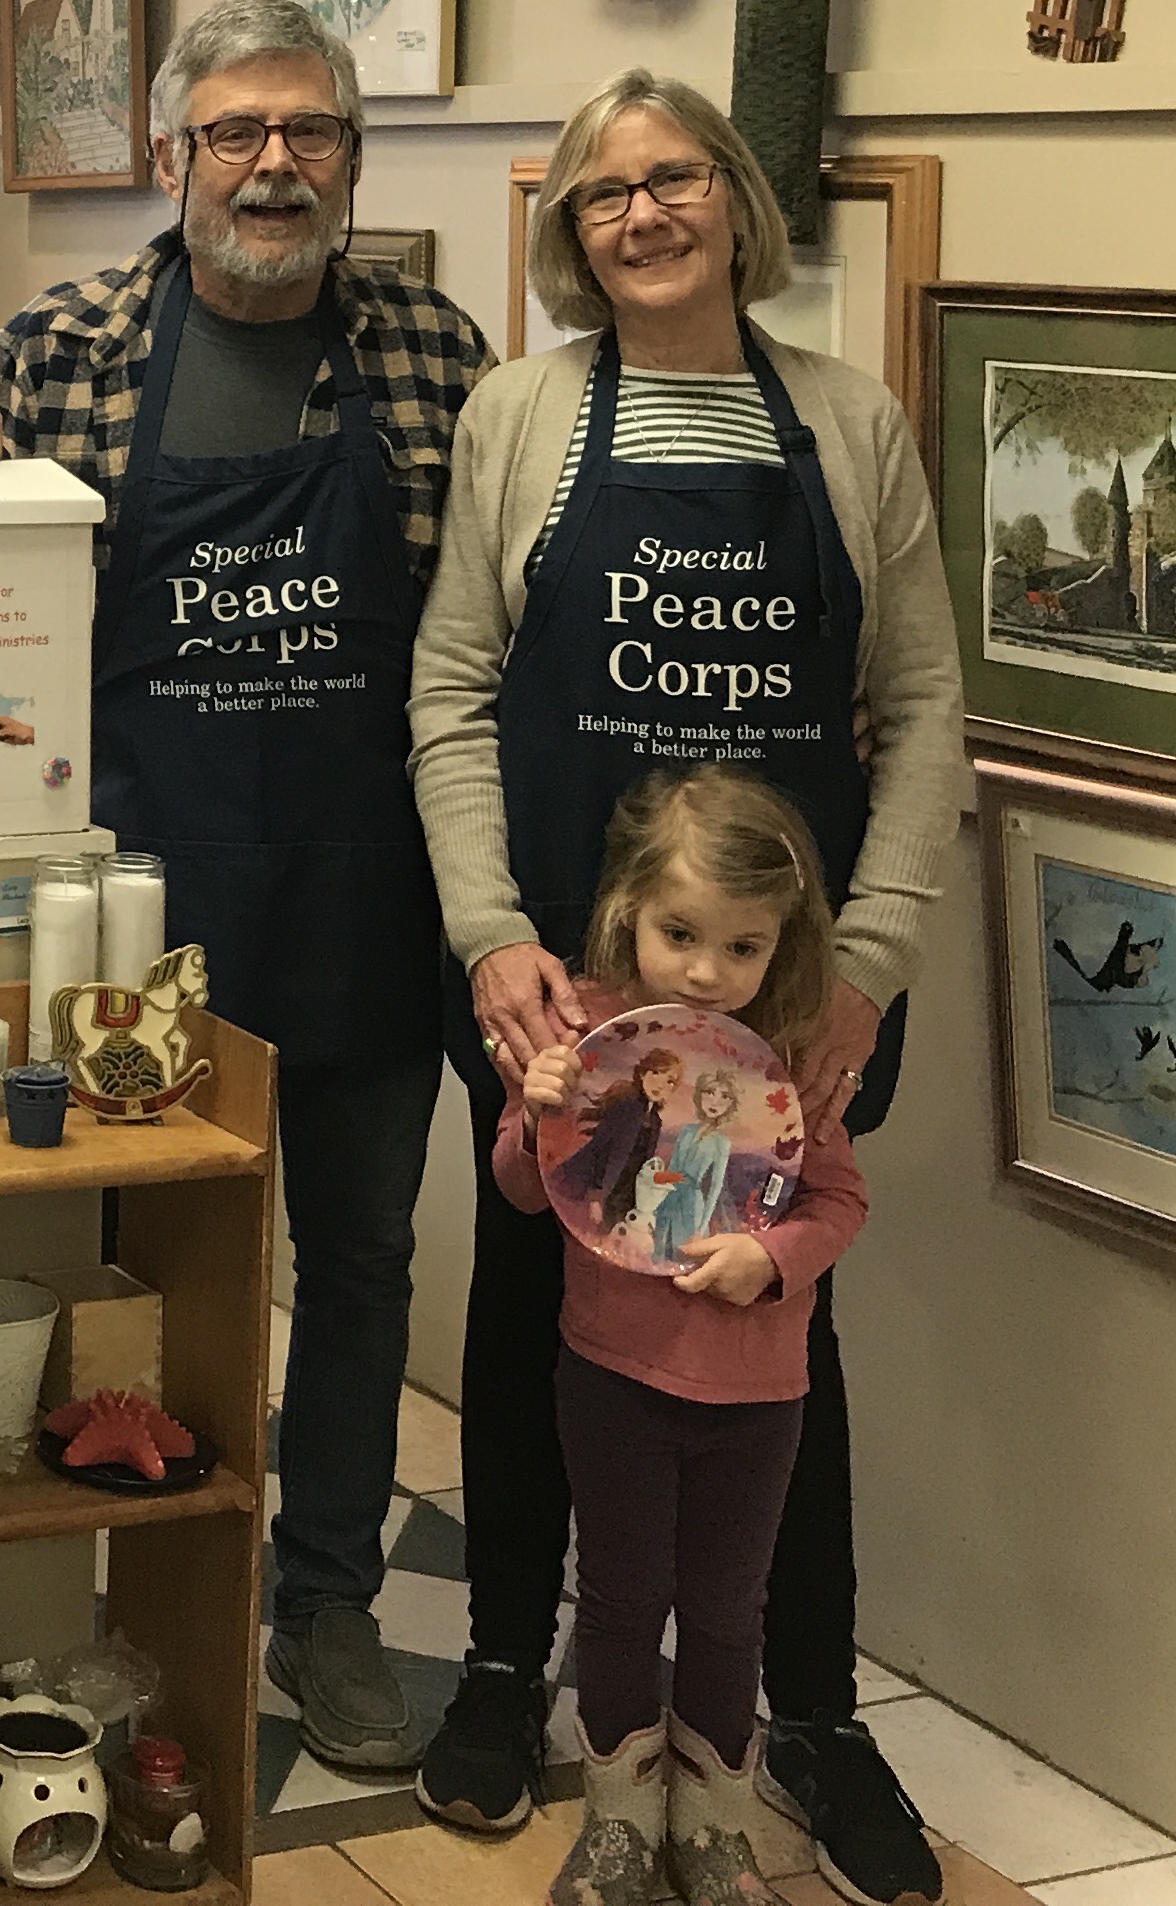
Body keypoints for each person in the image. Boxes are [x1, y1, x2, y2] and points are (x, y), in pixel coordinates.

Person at [0, 0, 493, 1775]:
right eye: (234, 130)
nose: (271, 162)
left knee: (364, 1260)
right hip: (133, 907)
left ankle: (318, 1591)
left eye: (306, 130)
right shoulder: (68, 347)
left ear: (350, 158)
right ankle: (130, 1567)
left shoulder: (432, 351)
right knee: (142, 1248)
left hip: (365, 888)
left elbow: (482, 627)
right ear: (173, 155)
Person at [408, 67, 963, 1901]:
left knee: (778, 1344)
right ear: (566, 234)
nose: (638, 214)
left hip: (780, 994)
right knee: (526, 1309)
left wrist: (860, 964)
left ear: (733, 196)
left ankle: (803, 1704)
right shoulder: (521, 413)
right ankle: (510, 1665)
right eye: (597, 194)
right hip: (575, 993)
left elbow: (927, 704)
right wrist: (495, 932)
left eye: (671, 178)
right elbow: (452, 693)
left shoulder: (846, 419)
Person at [491, 768, 875, 1906]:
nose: (708, 971)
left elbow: (840, 1204)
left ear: (782, 945)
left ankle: (712, 1827)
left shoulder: (792, 1061)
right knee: (618, 1598)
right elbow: (525, 1190)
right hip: (610, 1373)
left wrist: (773, 1261)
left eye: (743, 947)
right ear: (627, 914)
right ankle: (618, 1822)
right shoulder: (594, 1039)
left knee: (724, 1609)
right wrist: (539, 1107)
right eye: (680, 934)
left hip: (759, 1392)